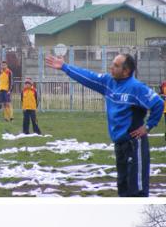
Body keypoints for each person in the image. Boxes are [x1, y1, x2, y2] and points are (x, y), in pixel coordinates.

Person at [45, 52, 163, 197]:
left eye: (115, 65)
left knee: (136, 191)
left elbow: (158, 103)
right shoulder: (109, 82)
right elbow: (88, 77)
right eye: (112, 63)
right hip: (119, 144)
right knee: (123, 188)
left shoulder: (136, 88)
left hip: (134, 144)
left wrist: (148, 127)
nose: (111, 67)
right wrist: (64, 67)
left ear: (126, 71)